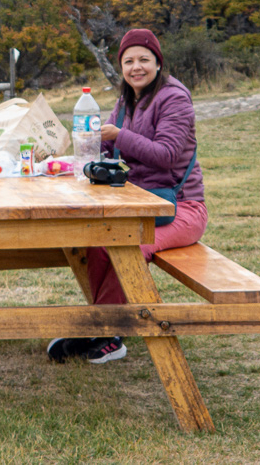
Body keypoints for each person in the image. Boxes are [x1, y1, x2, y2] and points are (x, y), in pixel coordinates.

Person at [48, 28, 208, 364]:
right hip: (139, 204)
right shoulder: (126, 100)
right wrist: (84, 147)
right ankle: (101, 324)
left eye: (144, 60)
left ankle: (107, 331)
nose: (137, 67)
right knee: (96, 240)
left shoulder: (174, 97)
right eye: (129, 60)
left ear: (158, 62)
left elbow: (166, 154)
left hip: (180, 208)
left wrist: (119, 136)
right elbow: (105, 144)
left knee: (129, 246)